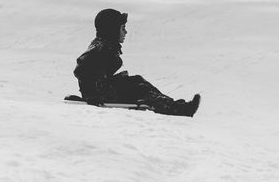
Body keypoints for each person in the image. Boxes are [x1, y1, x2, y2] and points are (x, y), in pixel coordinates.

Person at [73, 8, 201, 117]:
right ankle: (178, 108)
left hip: (105, 92)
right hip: (104, 95)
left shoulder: (105, 45)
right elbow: (81, 68)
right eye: (122, 28)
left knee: (137, 82)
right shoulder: (101, 48)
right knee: (139, 86)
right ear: (112, 29)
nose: (125, 32)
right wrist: (92, 95)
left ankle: (177, 107)